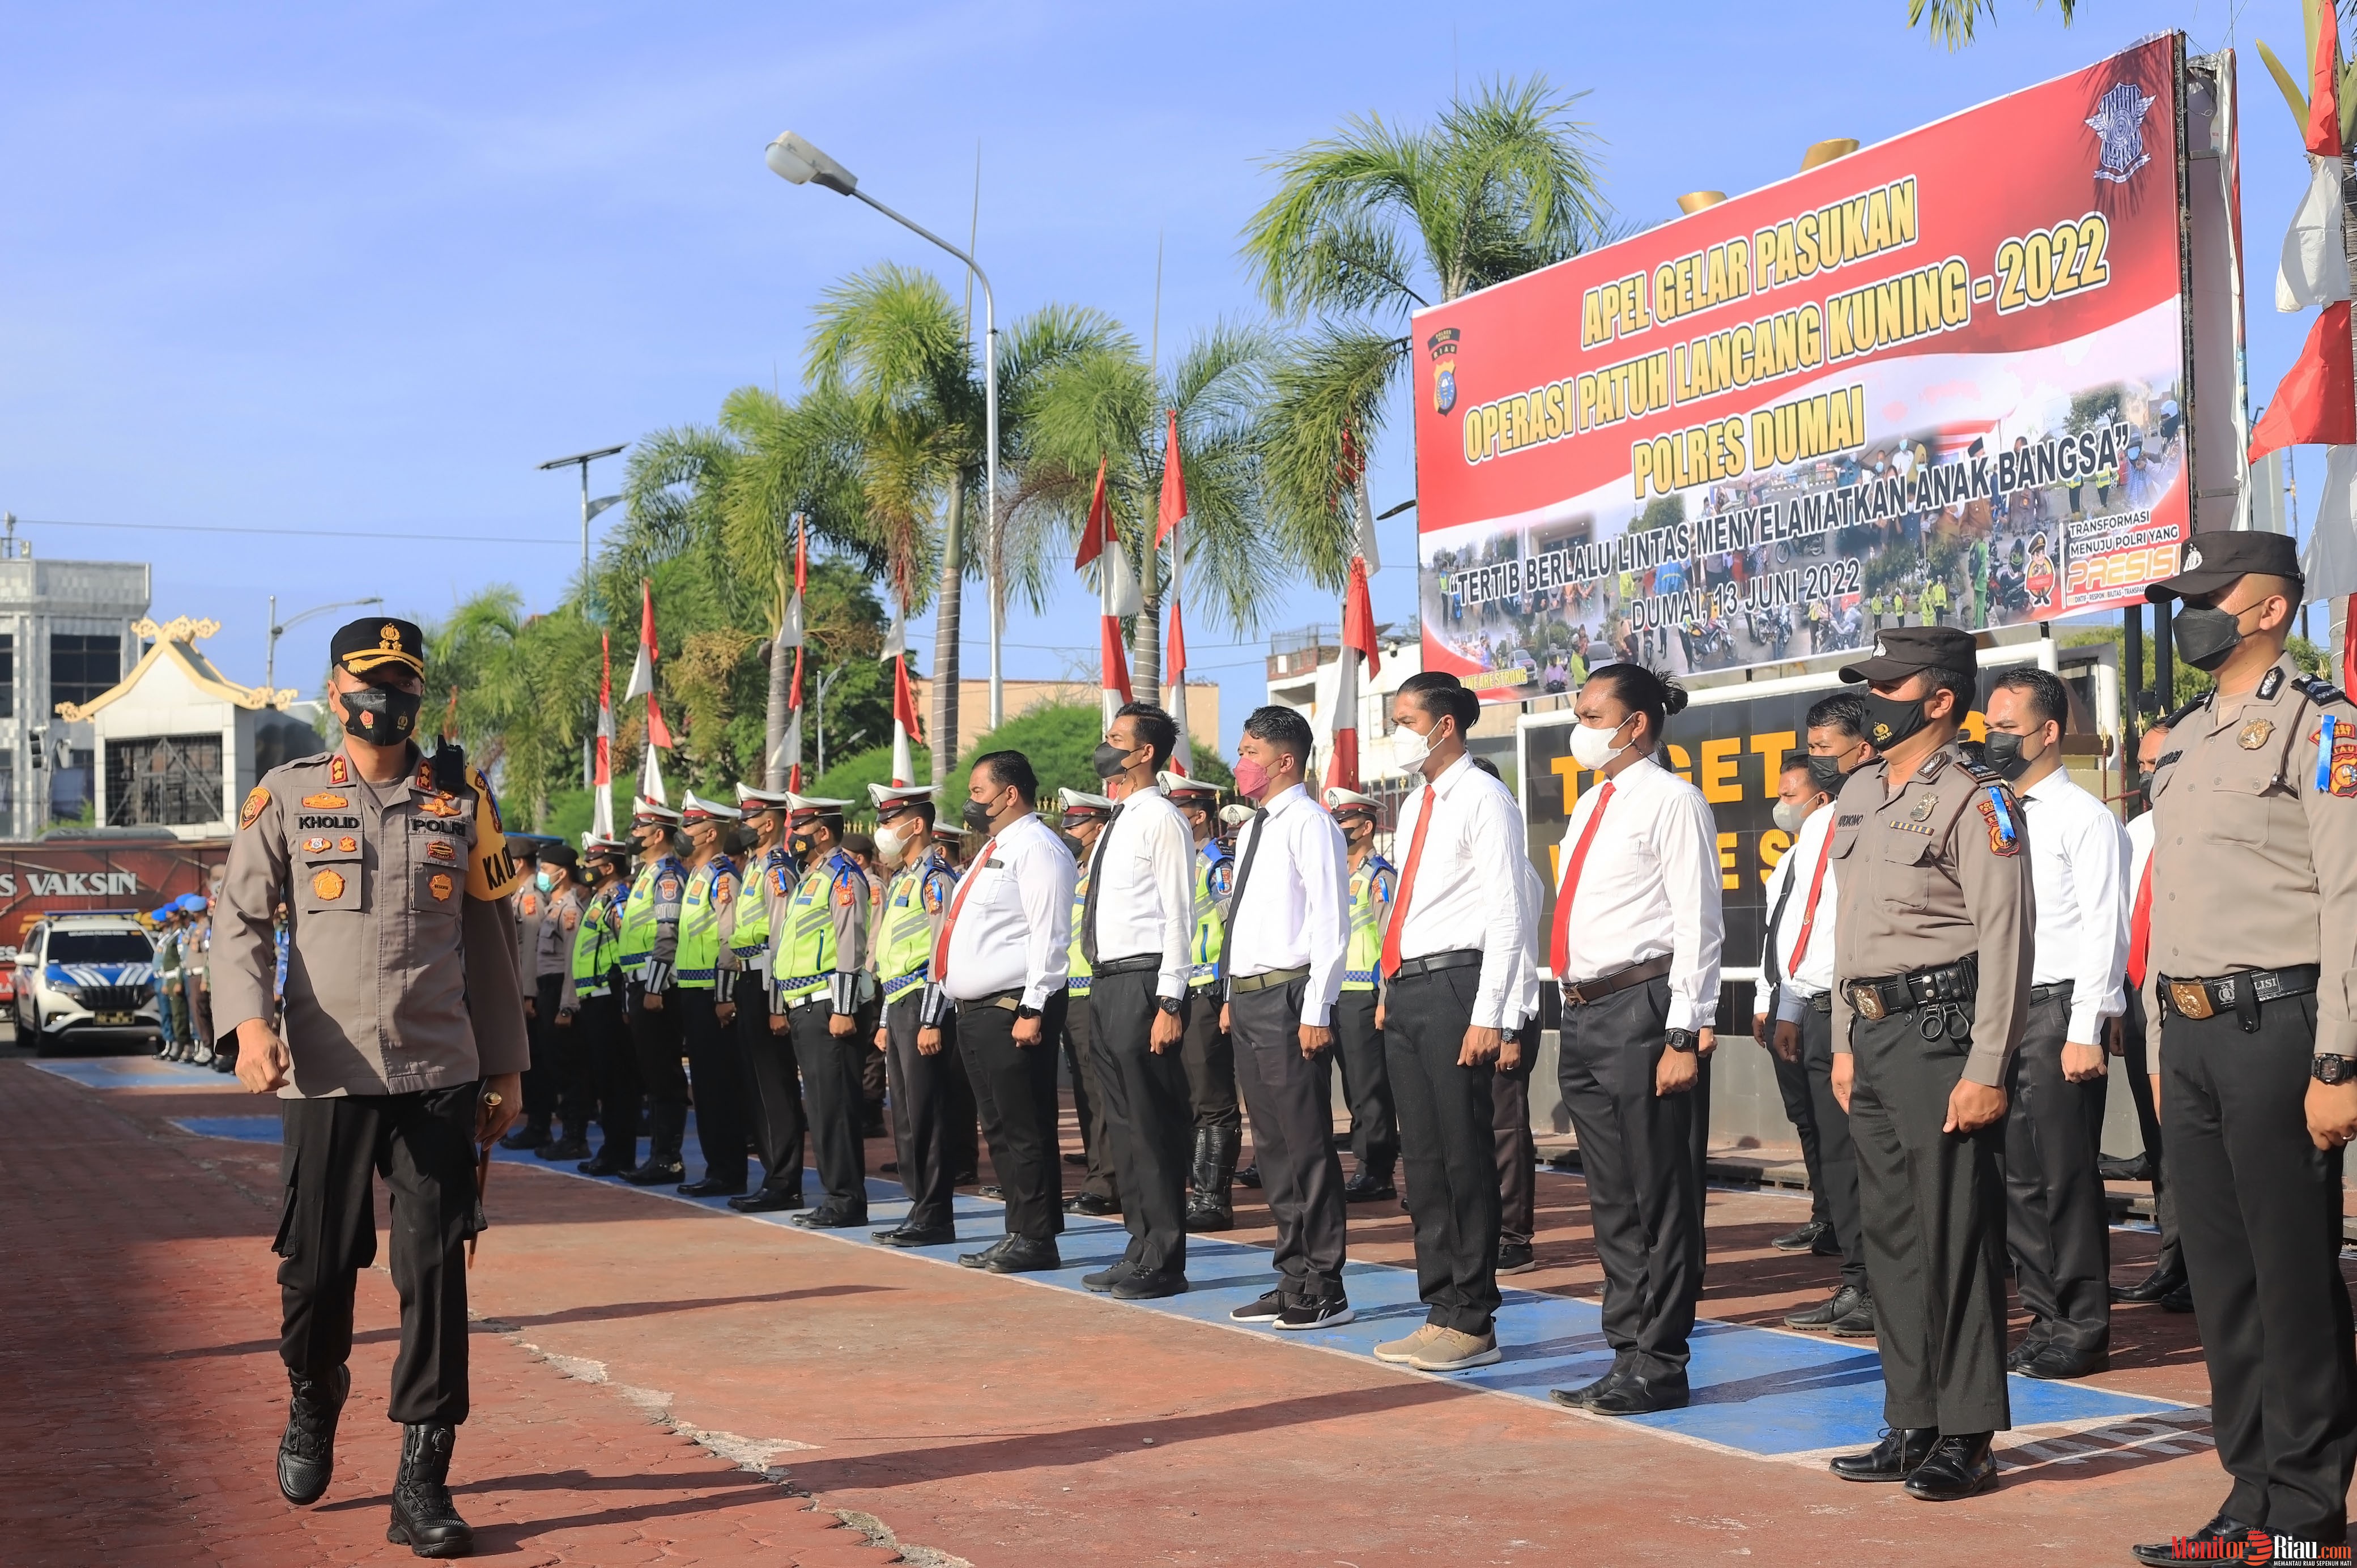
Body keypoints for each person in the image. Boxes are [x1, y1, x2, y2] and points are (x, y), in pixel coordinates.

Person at [215, 615, 526, 1556]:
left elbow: (490, 938)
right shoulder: (287, 794)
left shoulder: (461, 798)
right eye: (368, 682)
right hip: (327, 1073)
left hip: (437, 1072)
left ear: (419, 694)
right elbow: (240, 919)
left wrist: (507, 1066)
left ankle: (423, 1480)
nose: (383, 699)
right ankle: (315, 1391)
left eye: (400, 683)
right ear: (337, 690)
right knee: (314, 1271)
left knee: (434, 1271)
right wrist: (250, 1025)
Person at [2131, 531, 2357, 1564]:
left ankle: (2305, 1511)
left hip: (2280, 1026)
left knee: (2291, 1274)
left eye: (2211, 597)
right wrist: (2157, 1036)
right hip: (2189, 1033)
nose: (2193, 616)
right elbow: (2173, 898)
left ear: (2270, 609)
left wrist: (2339, 1059)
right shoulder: (2183, 737)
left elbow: (2349, 897)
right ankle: (2249, 1494)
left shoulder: (2323, 725)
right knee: (2223, 1280)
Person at [1823, 625, 2032, 1503]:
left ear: (1940, 699)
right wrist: (1843, 1037)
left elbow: (2006, 938)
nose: (1873, 700)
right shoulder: (1860, 789)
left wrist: (1988, 1065)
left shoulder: (1977, 796)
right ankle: (1911, 1419)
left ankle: (1968, 1434)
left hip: (1942, 1034)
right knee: (1892, 1240)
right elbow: (1849, 927)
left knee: (1954, 1237)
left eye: (1890, 686)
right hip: (1872, 1036)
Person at [1542, 662, 1724, 1417]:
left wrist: (1684, 1029)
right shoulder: (1592, 803)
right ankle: (1625, 1351)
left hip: (1642, 1007)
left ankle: (1662, 1360)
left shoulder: (1673, 800)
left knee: (1661, 1193)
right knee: (1611, 1197)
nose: (1579, 729)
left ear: (1636, 723)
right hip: (1584, 1010)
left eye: (1591, 716)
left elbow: (1698, 920)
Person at [1371, 671, 1525, 1374]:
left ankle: (1473, 1317)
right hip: (1410, 984)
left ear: (1445, 725)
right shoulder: (1416, 803)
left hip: (1458, 983)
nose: (1397, 734)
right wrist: (1389, 981)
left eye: (1406, 720)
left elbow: (1507, 910)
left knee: (1463, 1154)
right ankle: (1439, 1307)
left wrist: (1490, 1012)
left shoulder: (1484, 797)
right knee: (1425, 1159)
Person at [1982, 667, 2127, 1380]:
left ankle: (2081, 1325)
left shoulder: (2083, 817)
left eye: (2007, 728)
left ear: (2047, 732)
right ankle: (2042, 1316)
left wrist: (2085, 1026)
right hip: (2003, 1010)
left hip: (2057, 1006)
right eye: (1989, 726)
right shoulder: (1993, 811)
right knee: (2018, 1176)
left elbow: (2106, 926)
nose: (1993, 739)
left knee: (2064, 1176)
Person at [1220, 706, 1353, 1328]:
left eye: (1251, 752)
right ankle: (1292, 1273)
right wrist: (1230, 993)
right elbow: (1248, 920)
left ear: (1285, 761)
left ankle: (1325, 1282)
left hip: (1289, 996)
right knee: (1272, 1147)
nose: (1240, 763)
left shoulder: (1309, 823)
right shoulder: (1255, 827)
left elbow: (1330, 921)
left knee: (1306, 1144)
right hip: (1250, 996)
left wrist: (1317, 1007)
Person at [1075, 705, 1199, 1301]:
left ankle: (1165, 1259)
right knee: (1123, 1127)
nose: (1106, 746)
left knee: (1152, 1127)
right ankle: (1139, 1245)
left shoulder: (1162, 819)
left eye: (1116, 738)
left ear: (1144, 752)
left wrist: (1170, 1000)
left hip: (1145, 982)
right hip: (1105, 981)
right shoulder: (1119, 817)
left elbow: (1180, 913)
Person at [938, 751, 1074, 1273]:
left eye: (978, 792)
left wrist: (1033, 1007)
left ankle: (1037, 1238)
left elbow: (1050, 934)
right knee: (998, 1127)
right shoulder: (996, 849)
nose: (971, 802)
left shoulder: (1038, 848)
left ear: (1009, 793)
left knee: (1025, 1127)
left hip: (1011, 1007)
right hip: (976, 1011)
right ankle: (1020, 1229)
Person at [1775, 695, 1877, 1337]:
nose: (1815, 759)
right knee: (1836, 1158)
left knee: (1867, 1157)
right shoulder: (1816, 825)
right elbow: (1802, 921)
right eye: (1810, 746)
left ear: (1861, 748)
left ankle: (1882, 1286)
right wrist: (1788, 1003)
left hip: (1858, 1011)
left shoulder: (1879, 808)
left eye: (1824, 748)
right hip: (1813, 1007)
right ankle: (1856, 1278)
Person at [2108, 720, 2189, 1312]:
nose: (2148, 774)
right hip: (2139, 999)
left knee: (2199, 1142)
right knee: (2159, 1138)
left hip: (2192, 999)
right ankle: (2172, 1260)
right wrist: (2116, 1000)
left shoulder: (2205, 824)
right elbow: (2119, 921)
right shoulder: (2133, 832)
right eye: (2142, 764)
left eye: (2159, 762)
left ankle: (2207, 1268)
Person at [868, 781, 963, 1246]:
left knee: (928, 1112)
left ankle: (935, 1214)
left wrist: (930, 1020)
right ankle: (918, 1206)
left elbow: (940, 955)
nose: (884, 830)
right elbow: (893, 958)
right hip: (900, 1004)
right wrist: (886, 1021)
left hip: (924, 1007)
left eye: (891, 821)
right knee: (905, 1114)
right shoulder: (903, 879)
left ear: (917, 825)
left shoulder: (934, 879)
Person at [775, 794, 875, 1229]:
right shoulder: (810, 877)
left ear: (822, 832)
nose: (793, 835)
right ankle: (836, 1195)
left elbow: (850, 945)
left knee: (835, 1107)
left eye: (799, 828)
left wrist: (843, 1008)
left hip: (829, 1006)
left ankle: (846, 1199)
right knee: (820, 1107)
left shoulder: (841, 876)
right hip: (805, 1004)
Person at [1755, 760, 1839, 1254]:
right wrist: (1765, 996)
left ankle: (1841, 1222)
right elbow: (1779, 933)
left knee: (1832, 1120)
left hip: (1821, 998)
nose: (1781, 806)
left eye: (1790, 796)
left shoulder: (1834, 851)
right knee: (1805, 1117)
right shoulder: (1789, 859)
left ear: (1820, 800)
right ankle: (1823, 1213)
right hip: (1783, 998)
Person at [1163, 771, 1241, 1228]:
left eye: (1176, 810)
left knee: (1211, 1096)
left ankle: (1213, 1199)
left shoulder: (1217, 865)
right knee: (1185, 1095)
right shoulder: (1175, 863)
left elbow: (1234, 931)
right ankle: (1193, 1191)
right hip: (1176, 993)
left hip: (1208, 990)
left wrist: (1229, 997)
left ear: (1196, 816)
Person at [726, 783, 808, 1213]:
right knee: (757, 1087)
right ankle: (772, 1175)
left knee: (774, 1087)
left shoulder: (777, 869)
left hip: (766, 983)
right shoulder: (756, 868)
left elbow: (779, 940)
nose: (743, 826)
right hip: (748, 979)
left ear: (770, 824)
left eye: (749, 819)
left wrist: (778, 1006)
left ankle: (784, 1182)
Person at [670, 793, 748, 1198]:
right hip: (692, 992)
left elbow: (728, 941)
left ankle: (728, 1170)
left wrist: (723, 996)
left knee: (719, 1087)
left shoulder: (721, 877)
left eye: (691, 826)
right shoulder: (698, 876)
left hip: (711, 996)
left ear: (711, 833)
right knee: (704, 1086)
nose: (684, 833)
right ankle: (717, 1166)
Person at [1325, 788, 1398, 1201]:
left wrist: (1386, 997)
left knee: (1369, 1086)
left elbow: (1389, 939)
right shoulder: (1337, 873)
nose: (1339, 830)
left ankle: (1377, 1169)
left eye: (1345, 824)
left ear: (1367, 827)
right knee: (1353, 1086)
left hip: (1365, 995)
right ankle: (1366, 1161)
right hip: (1336, 995)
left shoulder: (1379, 876)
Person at [615, 798, 691, 1187]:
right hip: (639, 983)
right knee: (652, 1076)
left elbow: (667, 935)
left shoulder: (667, 876)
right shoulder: (646, 875)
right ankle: (659, 1156)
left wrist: (655, 987)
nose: (633, 835)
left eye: (639, 829)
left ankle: (668, 1159)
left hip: (656, 986)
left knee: (664, 1077)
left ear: (658, 834)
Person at [1056, 787, 1121, 1218]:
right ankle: (1099, 1174)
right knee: (1084, 1091)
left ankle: (1107, 1183)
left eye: (1076, 826)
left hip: (1095, 991)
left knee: (1099, 1090)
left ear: (1097, 828)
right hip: (1072, 993)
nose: (1070, 833)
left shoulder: (1106, 869)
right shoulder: (1079, 870)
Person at [560, 836, 640, 1177]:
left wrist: (624, 1000)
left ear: (608, 867)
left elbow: (625, 951)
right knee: (605, 1081)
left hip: (610, 998)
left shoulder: (618, 900)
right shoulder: (599, 899)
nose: (586, 868)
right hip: (594, 999)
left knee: (617, 1082)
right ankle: (612, 1150)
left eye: (592, 863)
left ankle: (619, 1153)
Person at [528, 845, 591, 1161]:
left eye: (546, 869)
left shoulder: (569, 910)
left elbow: (572, 962)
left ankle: (575, 1137)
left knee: (568, 1068)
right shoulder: (553, 906)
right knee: (554, 1064)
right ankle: (567, 1135)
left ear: (562, 873)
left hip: (560, 991)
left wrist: (567, 1006)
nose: (541, 874)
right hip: (547, 990)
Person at [500, 840, 548, 1150]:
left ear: (518, 863)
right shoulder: (517, 892)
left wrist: (528, 993)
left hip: (527, 989)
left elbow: (531, 948)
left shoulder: (530, 896)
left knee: (536, 1063)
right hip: (517, 986)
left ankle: (539, 1127)